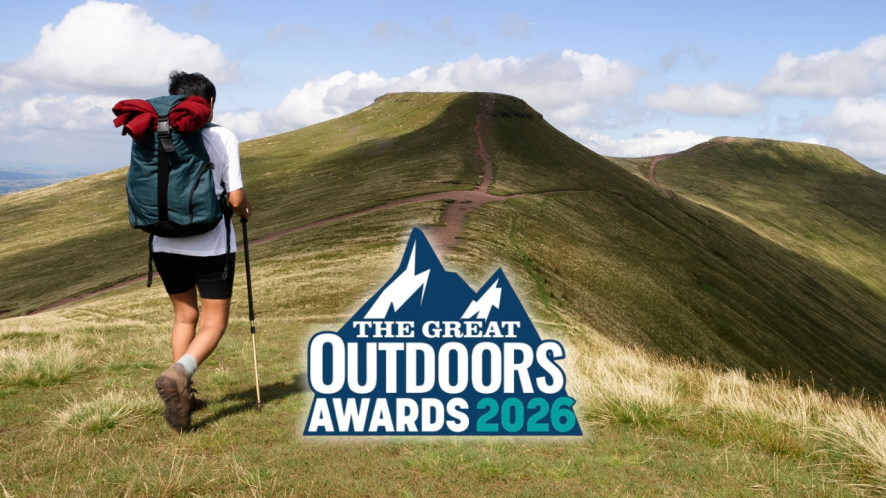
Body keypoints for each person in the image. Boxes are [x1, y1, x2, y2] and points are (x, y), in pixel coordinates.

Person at [152, 70, 252, 431]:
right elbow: (235, 198)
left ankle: (185, 394)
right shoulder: (222, 136)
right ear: (209, 103)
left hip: (163, 242)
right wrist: (245, 210)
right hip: (211, 245)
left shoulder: (154, 132)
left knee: (184, 317)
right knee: (213, 323)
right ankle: (179, 375)